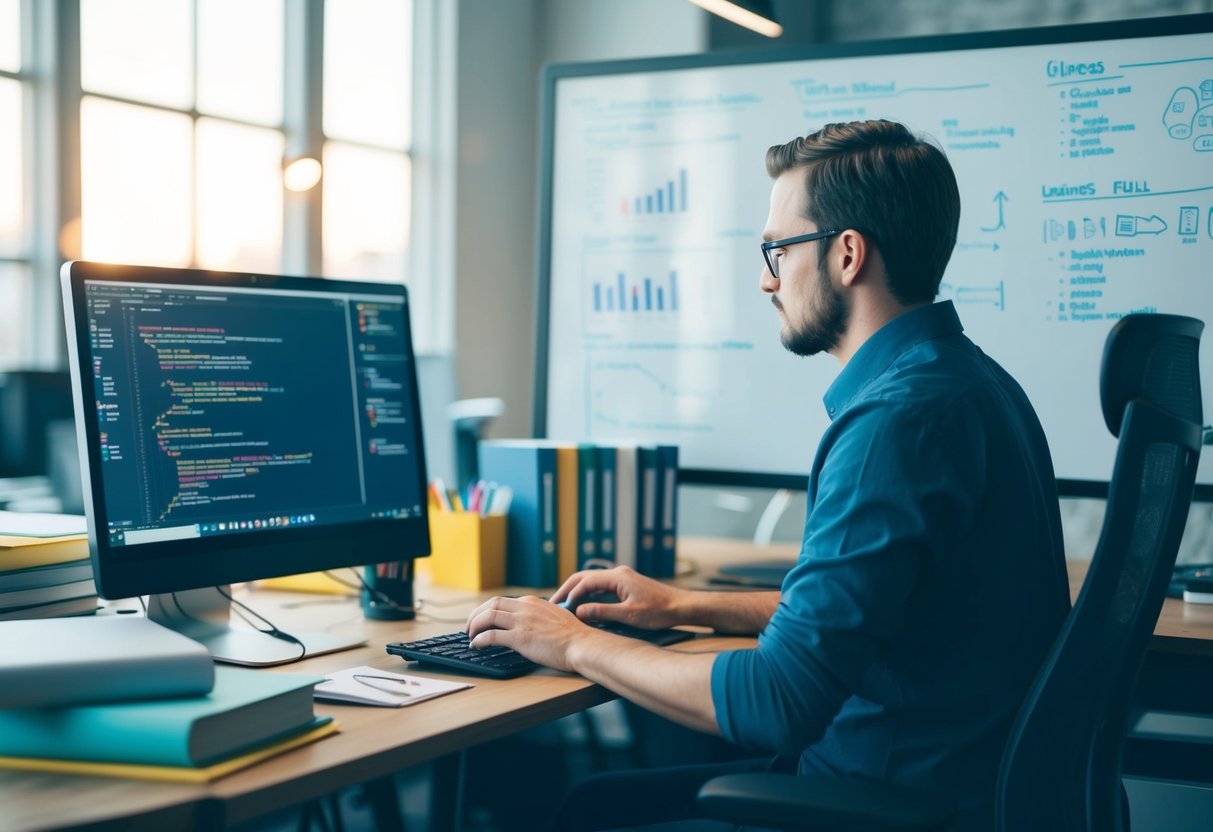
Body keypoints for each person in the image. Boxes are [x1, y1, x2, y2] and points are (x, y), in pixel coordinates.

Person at [466, 120, 1070, 831]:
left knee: (587, 814)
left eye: (777, 251)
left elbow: (777, 701)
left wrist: (574, 643)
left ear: (847, 255)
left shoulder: (895, 424)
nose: (764, 279)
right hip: (949, 784)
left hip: (887, 800)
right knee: (596, 802)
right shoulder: (968, 384)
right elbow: (862, 613)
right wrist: (684, 606)